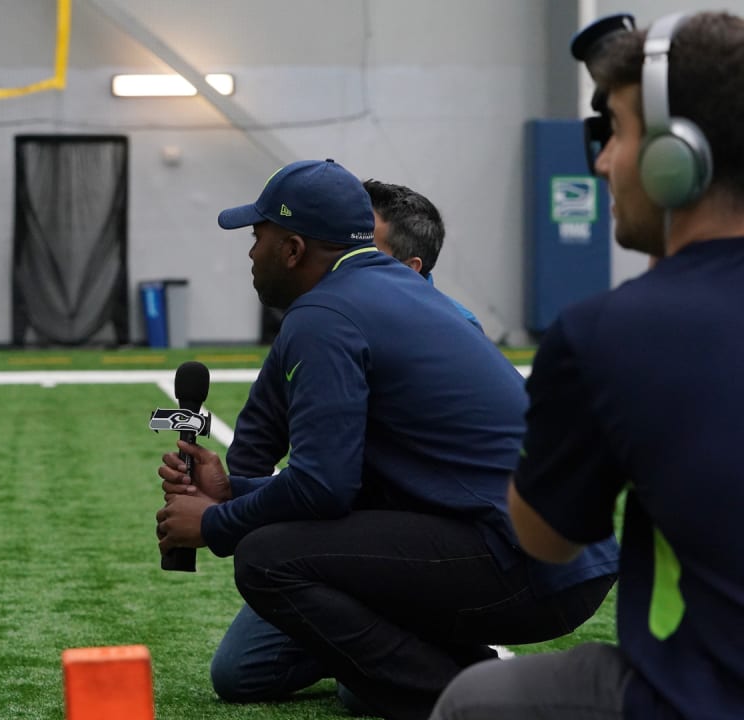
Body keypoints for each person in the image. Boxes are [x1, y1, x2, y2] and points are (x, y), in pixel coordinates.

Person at [155, 159, 619, 720]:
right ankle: (471, 678)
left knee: (266, 560)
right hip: (548, 550)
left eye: (258, 237)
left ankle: (476, 705)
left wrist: (214, 523)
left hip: (523, 561)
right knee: (261, 665)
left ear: (294, 249)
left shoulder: (326, 315)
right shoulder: (388, 289)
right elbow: (275, 446)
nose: (251, 253)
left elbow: (324, 488)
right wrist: (231, 492)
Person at [432, 11, 744, 719]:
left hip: (702, 699)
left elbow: (548, 540)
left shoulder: (609, 333)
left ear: (679, 156)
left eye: (621, 134)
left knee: (476, 702)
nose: (601, 160)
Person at [362, 179, 482, 330]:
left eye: (365, 249)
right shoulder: (337, 305)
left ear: (410, 268)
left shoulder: (456, 328)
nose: (345, 253)